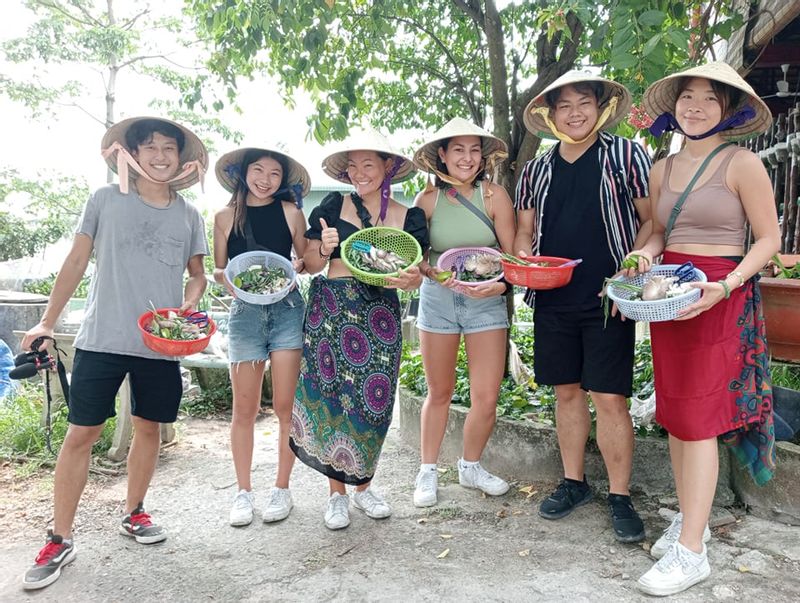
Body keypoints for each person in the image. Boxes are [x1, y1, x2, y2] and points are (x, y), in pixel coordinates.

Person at [20, 116, 209, 590]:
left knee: (149, 428)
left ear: (183, 160)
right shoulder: (105, 199)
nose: (161, 155)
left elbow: (198, 273)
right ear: (132, 152)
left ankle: (135, 512)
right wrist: (47, 320)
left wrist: (191, 298)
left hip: (161, 343)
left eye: (170, 148)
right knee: (82, 433)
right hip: (102, 338)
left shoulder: (188, 215)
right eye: (151, 147)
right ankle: (59, 538)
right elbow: (77, 260)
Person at [628, 61, 778, 597]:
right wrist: (643, 257)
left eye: (708, 99)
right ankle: (692, 521)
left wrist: (729, 283)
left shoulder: (742, 163)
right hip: (670, 297)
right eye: (686, 97)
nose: (695, 107)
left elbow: (768, 240)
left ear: (727, 109)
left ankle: (692, 551)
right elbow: (658, 231)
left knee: (700, 420)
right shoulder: (661, 168)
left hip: (720, 297)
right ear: (675, 106)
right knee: (676, 415)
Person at [514, 72, 652, 542]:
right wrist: (523, 261)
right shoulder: (536, 169)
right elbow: (523, 233)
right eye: (564, 106)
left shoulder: (626, 154)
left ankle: (620, 495)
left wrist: (639, 258)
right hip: (552, 299)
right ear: (550, 116)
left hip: (609, 298)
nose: (575, 113)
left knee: (610, 398)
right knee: (566, 393)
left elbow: (652, 221)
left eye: (584, 102)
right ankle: (575, 483)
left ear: (601, 107)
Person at [289, 129, 428, 530]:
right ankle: (337, 496)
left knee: (374, 401)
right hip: (333, 306)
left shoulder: (409, 216)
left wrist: (409, 281)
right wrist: (326, 247)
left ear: (388, 167)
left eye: (368, 164)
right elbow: (313, 265)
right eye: (353, 165)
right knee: (334, 397)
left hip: (381, 315)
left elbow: (416, 276)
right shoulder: (334, 205)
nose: (359, 172)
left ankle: (364, 486)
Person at [410, 117, 516, 507]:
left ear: (483, 156)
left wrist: (502, 285)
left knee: (486, 396)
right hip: (438, 299)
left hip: (486, 300)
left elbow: (511, 258)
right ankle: (427, 471)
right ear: (443, 154)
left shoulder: (495, 197)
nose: (467, 158)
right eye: (458, 150)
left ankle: (470, 467)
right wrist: (431, 271)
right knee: (439, 392)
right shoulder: (427, 201)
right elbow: (416, 258)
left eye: (474, 150)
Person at [213, 147, 310, 527]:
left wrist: (299, 263)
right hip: (245, 315)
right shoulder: (223, 217)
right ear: (243, 174)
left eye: (274, 174)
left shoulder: (291, 212)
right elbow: (221, 270)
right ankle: (243, 492)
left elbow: (304, 259)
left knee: (286, 406)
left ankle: (281, 489)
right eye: (258, 170)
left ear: (282, 180)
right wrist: (230, 281)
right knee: (245, 410)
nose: (265, 179)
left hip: (287, 311)